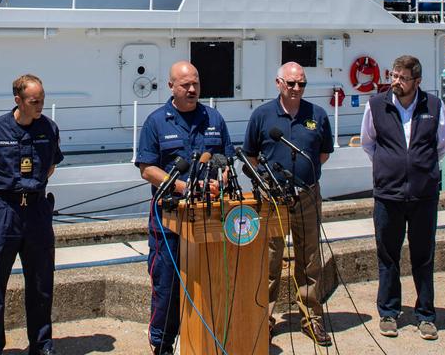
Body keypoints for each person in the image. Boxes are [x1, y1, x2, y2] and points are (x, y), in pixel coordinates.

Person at [135, 61, 233, 355]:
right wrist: (185, 187)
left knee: (210, 281)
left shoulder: (214, 118)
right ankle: (161, 343)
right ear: (171, 87)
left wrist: (222, 177)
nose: (192, 89)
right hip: (168, 215)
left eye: (196, 84)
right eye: (185, 85)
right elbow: (147, 169)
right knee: (166, 283)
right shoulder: (156, 121)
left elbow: (225, 159)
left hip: (208, 215)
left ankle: (205, 340)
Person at [242, 61, 334, 346]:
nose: (297, 89)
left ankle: (311, 318)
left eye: (302, 84)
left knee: (309, 259)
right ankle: (265, 319)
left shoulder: (316, 114)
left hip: (306, 195)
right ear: (279, 83)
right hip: (273, 199)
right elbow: (250, 156)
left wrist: (302, 179)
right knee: (270, 260)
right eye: (291, 83)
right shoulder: (262, 115)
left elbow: (323, 154)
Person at [359, 54, 445, 340]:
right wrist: (393, 166)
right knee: (388, 255)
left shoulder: (434, 106)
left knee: (424, 257)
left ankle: (426, 315)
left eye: (402, 77)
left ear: (417, 81)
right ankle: (388, 312)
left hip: (423, 195)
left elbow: (442, 146)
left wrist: (417, 168)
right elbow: (368, 143)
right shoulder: (376, 105)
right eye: (394, 76)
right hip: (389, 194)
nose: (396, 82)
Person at [0, 74, 64, 355]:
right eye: (34, 101)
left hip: (37, 210)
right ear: (18, 100)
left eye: (42, 100)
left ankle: (41, 345)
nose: (40, 105)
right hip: (4, 210)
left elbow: (50, 165)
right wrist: (4, 196)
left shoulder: (49, 128)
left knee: (40, 284)